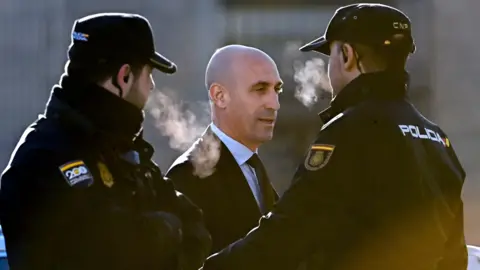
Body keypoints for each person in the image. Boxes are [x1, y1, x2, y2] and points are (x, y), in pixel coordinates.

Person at [200, 3, 467, 270]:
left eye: (331, 56)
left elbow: (289, 231)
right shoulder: (437, 139)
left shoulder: (350, 130)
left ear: (347, 55)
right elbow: (455, 254)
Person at [0, 13, 211, 270]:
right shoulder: (43, 156)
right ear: (123, 77)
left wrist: (158, 234)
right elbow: (107, 252)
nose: (152, 86)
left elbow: (194, 225)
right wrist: (167, 229)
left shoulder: (122, 149)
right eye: (149, 74)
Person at [165, 45, 282, 254]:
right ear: (219, 96)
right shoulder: (190, 175)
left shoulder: (252, 168)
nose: (274, 103)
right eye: (260, 89)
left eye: (277, 90)